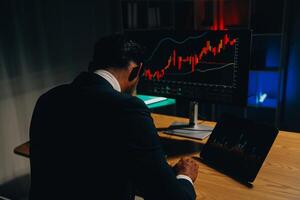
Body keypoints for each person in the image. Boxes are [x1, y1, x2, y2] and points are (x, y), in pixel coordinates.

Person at [29, 34, 199, 200]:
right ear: (136, 71)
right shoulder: (128, 108)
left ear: (91, 66)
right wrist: (185, 177)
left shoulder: (48, 99)